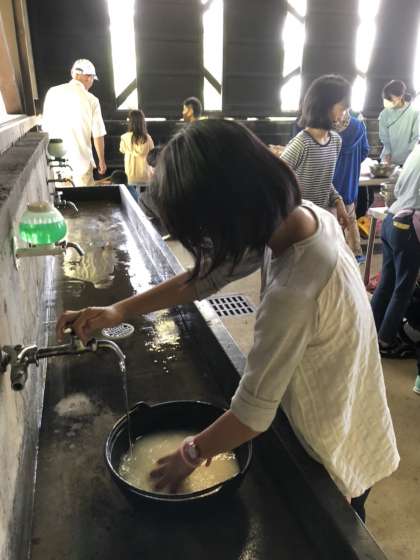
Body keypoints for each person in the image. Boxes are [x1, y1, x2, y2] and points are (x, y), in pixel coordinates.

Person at [56, 120, 399, 522]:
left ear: (228, 217)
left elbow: (252, 414)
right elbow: (204, 279)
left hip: (334, 443)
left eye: (203, 232)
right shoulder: (297, 218)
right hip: (345, 405)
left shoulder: (295, 288)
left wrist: (190, 453)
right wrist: (118, 310)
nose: (206, 245)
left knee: (341, 523)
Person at [371, 143, 420, 365]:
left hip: (392, 219)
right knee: (404, 288)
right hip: (407, 225)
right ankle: (386, 341)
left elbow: (398, 188)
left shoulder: (416, 150)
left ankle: (371, 332)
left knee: (387, 282)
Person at [280, 74, 350, 229]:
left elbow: (324, 182)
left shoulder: (335, 141)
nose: (344, 114)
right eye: (342, 109)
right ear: (324, 107)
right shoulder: (302, 143)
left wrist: (338, 201)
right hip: (297, 224)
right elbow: (275, 178)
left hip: (319, 221)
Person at [42, 59, 107, 186]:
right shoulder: (91, 100)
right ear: (88, 77)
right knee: (85, 197)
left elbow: (45, 127)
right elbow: (98, 134)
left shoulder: (52, 92)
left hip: (57, 163)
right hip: (82, 163)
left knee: (61, 196)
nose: (92, 82)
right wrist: (101, 161)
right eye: (92, 79)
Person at [332, 111, 370, 261]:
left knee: (331, 222)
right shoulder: (359, 125)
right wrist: (352, 164)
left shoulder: (327, 128)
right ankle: (355, 254)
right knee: (350, 217)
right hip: (350, 181)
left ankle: (337, 257)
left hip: (332, 183)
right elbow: (365, 151)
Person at [379, 80, 420, 166]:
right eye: (387, 99)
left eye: (391, 99)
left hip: (407, 160)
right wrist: (387, 153)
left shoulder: (414, 113)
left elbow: (416, 137)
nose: (389, 101)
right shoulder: (384, 114)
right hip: (388, 160)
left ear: (400, 96)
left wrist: (410, 160)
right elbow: (384, 137)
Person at [120, 109, 154, 186]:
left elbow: (122, 150)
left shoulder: (124, 137)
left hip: (130, 175)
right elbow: (152, 154)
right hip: (146, 175)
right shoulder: (148, 138)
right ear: (142, 122)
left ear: (130, 122)